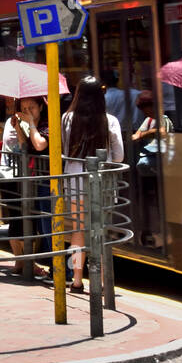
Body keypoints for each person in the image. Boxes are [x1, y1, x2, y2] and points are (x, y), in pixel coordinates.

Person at [60, 75, 124, 294]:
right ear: (101, 96)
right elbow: (119, 156)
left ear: (78, 95)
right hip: (102, 182)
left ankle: (77, 281)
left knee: (78, 231)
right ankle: (106, 283)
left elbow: (65, 150)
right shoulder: (110, 120)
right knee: (101, 231)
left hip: (74, 179)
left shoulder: (66, 119)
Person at [0, 97, 48, 278]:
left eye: (32, 107)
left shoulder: (23, 123)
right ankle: (25, 263)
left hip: (18, 177)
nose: (28, 111)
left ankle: (22, 262)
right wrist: (24, 125)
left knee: (22, 220)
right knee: (21, 219)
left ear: (41, 107)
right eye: (24, 108)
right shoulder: (18, 123)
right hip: (14, 178)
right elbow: (27, 148)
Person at [131, 91, 171, 247]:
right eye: (143, 109)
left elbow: (162, 132)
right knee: (148, 197)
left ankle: (164, 229)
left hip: (161, 163)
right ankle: (149, 229)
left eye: (147, 108)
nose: (145, 112)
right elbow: (136, 134)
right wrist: (142, 134)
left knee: (161, 199)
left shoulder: (163, 119)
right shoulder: (148, 120)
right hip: (148, 165)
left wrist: (143, 135)